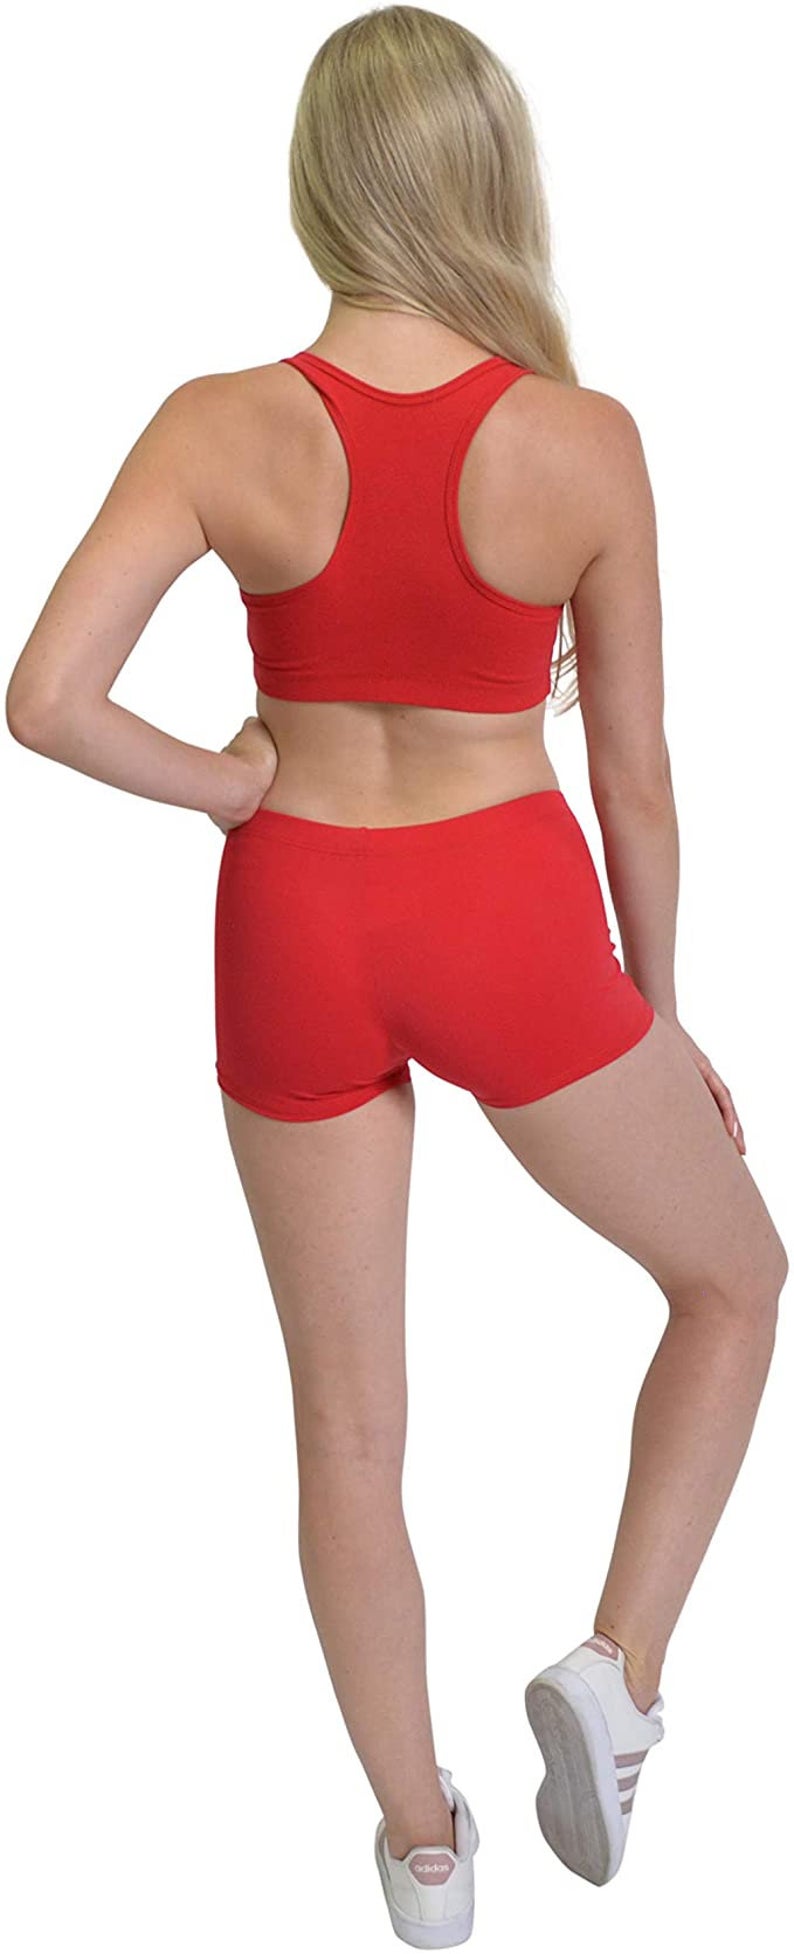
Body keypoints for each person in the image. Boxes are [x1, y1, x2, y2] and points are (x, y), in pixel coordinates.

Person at [5, 5, 788, 1943]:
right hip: (498, 910)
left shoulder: (216, 422)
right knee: (732, 1278)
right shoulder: (581, 441)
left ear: (320, 181)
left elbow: (46, 698)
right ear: (486, 174)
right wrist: (655, 1010)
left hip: (292, 914)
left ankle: (426, 1850)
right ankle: (615, 1674)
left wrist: (228, 786)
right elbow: (635, 780)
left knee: (347, 1427)